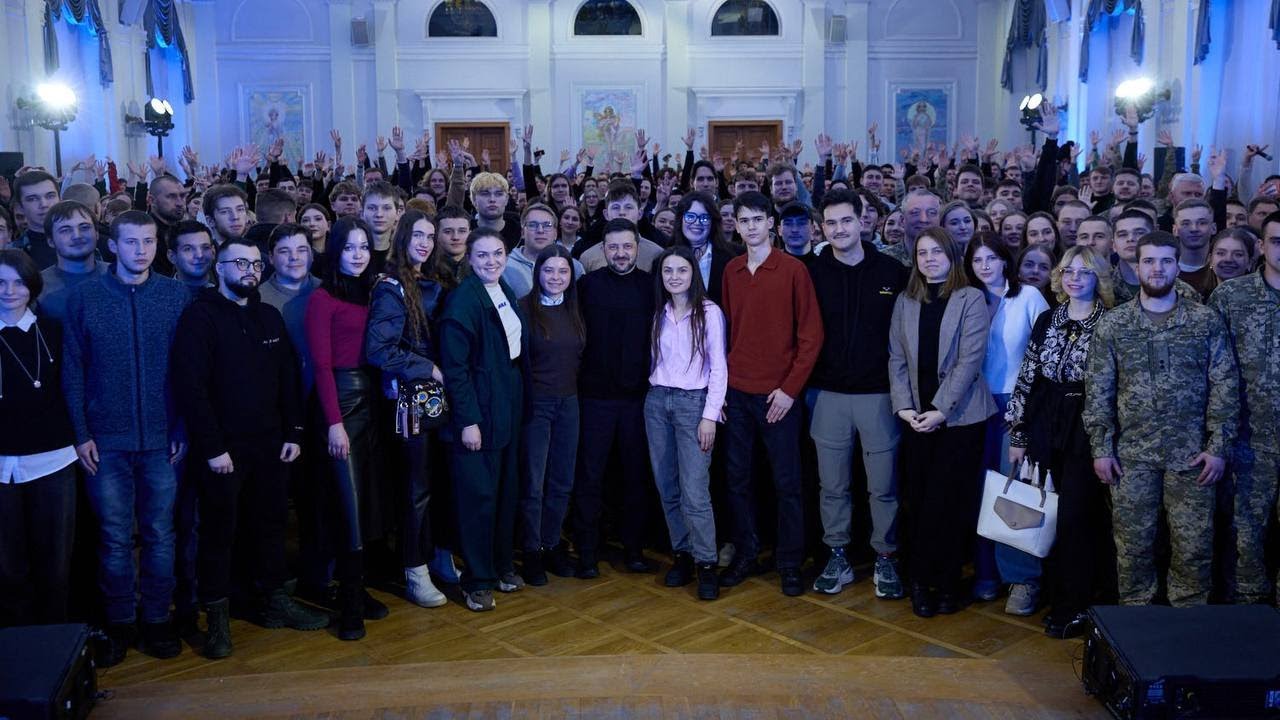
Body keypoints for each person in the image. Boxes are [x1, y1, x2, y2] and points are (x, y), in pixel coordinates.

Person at [171, 238, 327, 658]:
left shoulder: (268, 315)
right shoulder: (200, 316)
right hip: (223, 449)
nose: (250, 270)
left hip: (272, 443)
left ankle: (274, 601)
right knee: (219, 532)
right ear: (219, 267)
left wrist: (294, 432)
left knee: (271, 524)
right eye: (240, 263)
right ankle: (217, 619)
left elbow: (288, 378)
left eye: (256, 264)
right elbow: (191, 388)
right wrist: (212, 447)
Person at [62, 210, 191, 665]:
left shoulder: (175, 295)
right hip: (106, 440)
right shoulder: (86, 297)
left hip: (161, 439)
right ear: (112, 245)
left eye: (149, 241)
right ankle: (120, 621)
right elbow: (73, 370)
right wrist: (81, 433)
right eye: (132, 242)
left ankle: (156, 619)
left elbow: (188, 370)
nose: (141, 250)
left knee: (160, 534)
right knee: (114, 537)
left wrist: (181, 426)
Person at [1083, 231, 1238, 607]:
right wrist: (1101, 448)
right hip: (1131, 458)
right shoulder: (1115, 324)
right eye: (1149, 261)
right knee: (1133, 548)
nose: (1157, 268)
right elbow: (1098, 390)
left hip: (1193, 457)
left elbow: (1225, 386)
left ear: (1177, 266)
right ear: (1137, 267)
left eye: (1166, 261)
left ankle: (1189, 623)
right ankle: (1138, 626)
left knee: (1193, 548)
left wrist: (1218, 447)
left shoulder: (1205, 321)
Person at [1006, 246, 1116, 638]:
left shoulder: (1111, 322)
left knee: (1077, 517)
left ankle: (1076, 604)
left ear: (1098, 278)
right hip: (1044, 422)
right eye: (1068, 271)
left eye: (1084, 272)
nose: (1075, 278)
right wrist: (1019, 432)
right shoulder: (1047, 318)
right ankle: (1052, 595)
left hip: (1086, 425)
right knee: (1045, 512)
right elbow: (1027, 376)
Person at [718, 191, 823, 597]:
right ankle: (746, 553)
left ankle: (790, 562)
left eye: (757, 219)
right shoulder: (731, 271)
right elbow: (728, 331)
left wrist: (789, 390)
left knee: (787, 483)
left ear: (771, 224)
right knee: (738, 479)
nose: (750, 227)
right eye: (743, 220)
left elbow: (811, 336)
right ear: (736, 225)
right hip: (738, 393)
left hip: (779, 396)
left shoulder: (794, 270)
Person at [806, 189, 909, 599]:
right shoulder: (812, 272)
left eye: (846, 220)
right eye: (831, 223)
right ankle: (837, 555)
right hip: (827, 395)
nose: (839, 229)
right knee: (832, 486)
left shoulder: (892, 271)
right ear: (822, 227)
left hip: (879, 396)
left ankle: (886, 556)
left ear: (863, 220)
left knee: (882, 486)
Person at [888, 227, 995, 618]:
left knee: (950, 504)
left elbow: (970, 361)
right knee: (918, 502)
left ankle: (948, 582)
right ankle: (920, 581)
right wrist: (904, 407)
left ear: (952, 256)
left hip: (960, 418)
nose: (929, 259)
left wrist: (940, 410)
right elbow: (896, 358)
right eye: (922, 253)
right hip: (915, 417)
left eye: (937, 252)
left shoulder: (971, 298)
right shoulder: (905, 300)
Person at [304, 216, 387, 640]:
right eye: (350, 247)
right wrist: (334, 424)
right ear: (335, 251)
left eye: (364, 247)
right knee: (348, 503)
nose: (358, 255)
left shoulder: (373, 291)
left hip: (373, 399)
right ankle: (350, 602)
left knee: (368, 499)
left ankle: (358, 586)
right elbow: (320, 366)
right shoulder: (322, 298)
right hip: (339, 400)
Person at [438, 228, 528, 612]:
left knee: (505, 491)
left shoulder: (503, 288)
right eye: (483, 255)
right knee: (479, 498)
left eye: (498, 253)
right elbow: (455, 370)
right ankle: (477, 580)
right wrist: (468, 420)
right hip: (479, 408)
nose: (492, 261)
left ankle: (501, 566)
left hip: (506, 401)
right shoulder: (462, 301)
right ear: (470, 260)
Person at [364, 210, 450, 609]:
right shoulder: (391, 286)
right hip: (409, 401)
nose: (425, 243)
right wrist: (426, 367)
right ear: (402, 237)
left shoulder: (429, 279)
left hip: (434, 398)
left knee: (433, 483)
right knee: (415, 488)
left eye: (430, 236)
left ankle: (433, 558)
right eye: (418, 235)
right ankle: (415, 571)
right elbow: (378, 349)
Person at [964, 232, 1049, 610]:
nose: (984, 266)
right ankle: (985, 572)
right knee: (979, 491)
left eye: (991, 258)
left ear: (1004, 260)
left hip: (1016, 405)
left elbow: (1044, 358)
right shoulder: (965, 298)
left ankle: (1021, 579)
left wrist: (1026, 416)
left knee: (1014, 492)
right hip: (972, 405)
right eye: (977, 260)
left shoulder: (1028, 296)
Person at [572, 218, 658, 577]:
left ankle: (634, 549)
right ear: (603, 249)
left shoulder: (651, 286)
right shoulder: (586, 285)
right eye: (613, 247)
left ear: (637, 248)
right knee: (590, 476)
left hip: (638, 400)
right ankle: (587, 552)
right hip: (594, 399)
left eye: (627, 247)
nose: (620, 253)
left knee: (636, 476)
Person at [644, 245, 728, 601]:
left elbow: (719, 366)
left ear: (693, 273)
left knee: (695, 489)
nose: (674, 277)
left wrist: (710, 414)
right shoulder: (659, 312)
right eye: (668, 271)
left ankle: (706, 563)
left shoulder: (709, 312)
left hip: (693, 404)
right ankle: (683, 553)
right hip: (657, 402)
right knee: (668, 485)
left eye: (681, 270)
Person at [0, 250, 77, 627]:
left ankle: (54, 642)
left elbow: (72, 390)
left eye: (18, 282)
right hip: (1, 464)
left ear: (32, 286)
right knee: (7, 565)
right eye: (0, 283)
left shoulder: (54, 331)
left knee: (55, 562)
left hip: (54, 459)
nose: (9, 291)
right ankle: (16, 646)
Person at [1209, 211, 1280, 605]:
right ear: (1262, 247)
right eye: (1277, 241)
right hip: (1247, 442)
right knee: (1244, 537)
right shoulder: (1231, 297)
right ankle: (1247, 619)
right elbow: (1213, 373)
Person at [517, 244, 585, 585]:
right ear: (538, 272)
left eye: (562, 271)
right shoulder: (523, 309)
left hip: (569, 402)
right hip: (536, 405)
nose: (555, 277)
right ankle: (531, 550)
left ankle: (551, 543)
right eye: (549, 270)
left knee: (562, 480)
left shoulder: (576, 308)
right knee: (533, 482)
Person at [37, 200, 108, 323]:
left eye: (84, 227)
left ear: (97, 234)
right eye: (65, 230)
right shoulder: (37, 287)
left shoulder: (119, 276)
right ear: (50, 241)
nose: (77, 236)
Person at [502, 203, 585, 298]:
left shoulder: (574, 267)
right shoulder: (504, 267)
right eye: (533, 225)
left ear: (555, 233)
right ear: (523, 233)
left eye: (547, 225)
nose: (540, 230)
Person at [672, 191, 740, 305]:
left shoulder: (734, 256)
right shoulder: (665, 258)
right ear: (680, 220)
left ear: (713, 222)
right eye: (690, 217)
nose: (697, 222)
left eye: (704, 218)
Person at [11, 171, 60, 270]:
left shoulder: (85, 241)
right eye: (32, 199)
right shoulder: (12, 254)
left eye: (50, 196)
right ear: (20, 206)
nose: (44, 204)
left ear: (60, 199)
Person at [167, 221, 216, 291]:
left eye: (205, 247)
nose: (199, 255)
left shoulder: (226, 293)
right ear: (172, 256)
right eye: (188, 249)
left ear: (213, 252)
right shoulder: (158, 295)